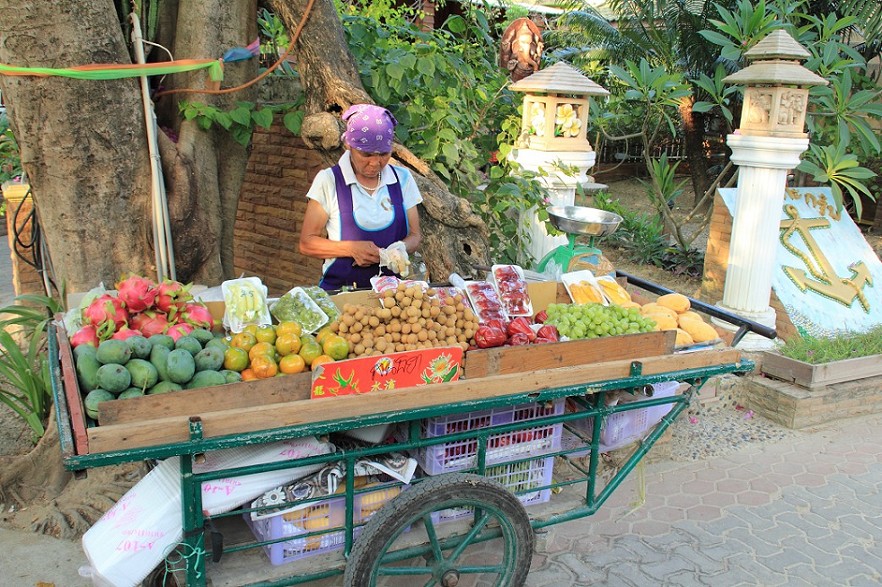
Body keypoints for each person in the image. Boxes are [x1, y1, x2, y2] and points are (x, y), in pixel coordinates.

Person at [299, 104, 423, 291]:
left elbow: (414, 236)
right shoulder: (330, 181)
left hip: (393, 296)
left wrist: (399, 250)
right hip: (342, 293)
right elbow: (307, 243)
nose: (375, 162)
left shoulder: (402, 180)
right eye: (366, 154)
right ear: (349, 145)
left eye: (383, 154)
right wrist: (351, 249)